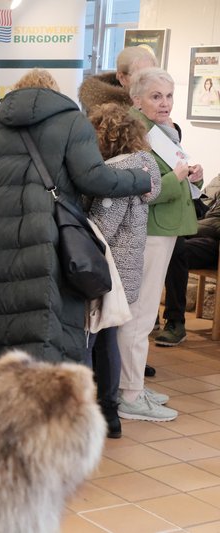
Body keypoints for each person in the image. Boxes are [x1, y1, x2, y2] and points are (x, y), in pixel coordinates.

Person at [0, 69, 151, 365]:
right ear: (53, 91)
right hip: (45, 239)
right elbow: (94, 179)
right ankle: (47, 403)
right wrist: (138, 180)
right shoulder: (71, 122)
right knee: (44, 325)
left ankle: (2, 402)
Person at [116, 67, 205, 422]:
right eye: (156, 96)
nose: (165, 103)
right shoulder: (136, 132)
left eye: (168, 96)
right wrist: (176, 178)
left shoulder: (160, 130)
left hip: (164, 229)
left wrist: (191, 176)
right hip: (148, 231)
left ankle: (133, 384)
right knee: (138, 316)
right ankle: (129, 393)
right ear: (136, 99)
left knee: (143, 313)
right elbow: (138, 188)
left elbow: (169, 175)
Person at [86, 102, 162, 438]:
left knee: (97, 341)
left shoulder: (117, 177)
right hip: (126, 269)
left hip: (108, 270)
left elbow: (103, 226)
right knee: (109, 338)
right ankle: (109, 414)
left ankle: (103, 412)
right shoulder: (142, 171)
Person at [155, 190, 220, 347]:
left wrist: (197, 226)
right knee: (156, 243)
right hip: (197, 231)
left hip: (214, 242)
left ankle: (175, 321)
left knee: (176, 251)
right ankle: (148, 315)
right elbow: (207, 212)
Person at [79, 46, 157, 114]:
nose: (148, 82)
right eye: (141, 77)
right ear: (122, 78)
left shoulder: (158, 103)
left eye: (152, 76)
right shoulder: (107, 114)